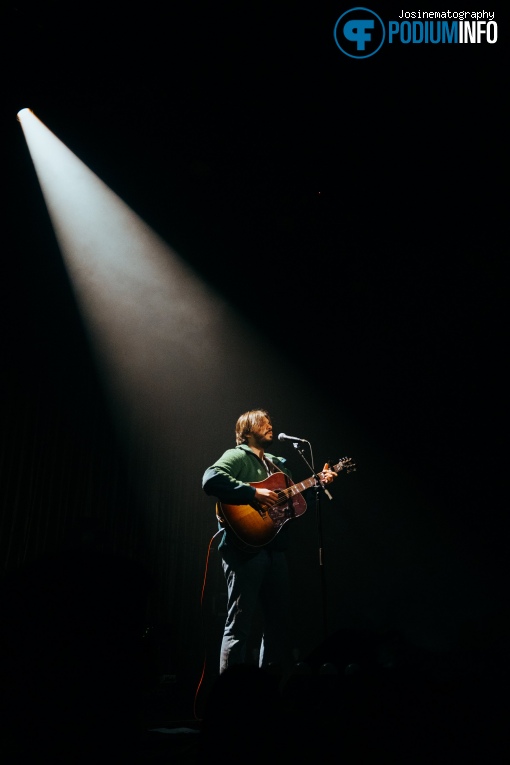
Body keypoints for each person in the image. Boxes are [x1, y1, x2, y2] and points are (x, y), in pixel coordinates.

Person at [202, 408, 337, 676]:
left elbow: (295, 505)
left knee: (277, 624)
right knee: (240, 623)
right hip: (245, 551)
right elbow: (211, 479)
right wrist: (252, 493)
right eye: (263, 423)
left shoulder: (278, 464)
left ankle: (267, 690)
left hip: (275, 550)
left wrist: (318, 484)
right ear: (247, 430)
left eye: (270, 422)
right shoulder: (237, 455)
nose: (269, 425)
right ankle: (230, 694)